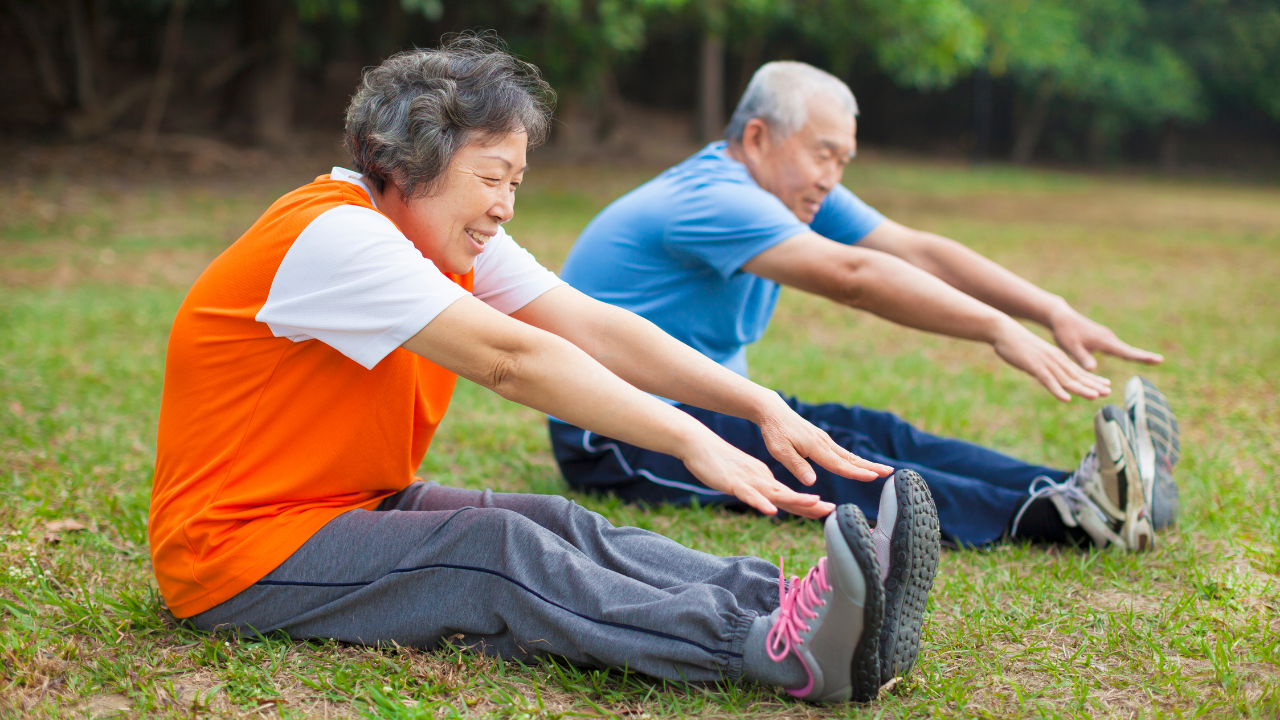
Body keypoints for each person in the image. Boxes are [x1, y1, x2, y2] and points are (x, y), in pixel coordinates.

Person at [147, 38, 943, 703]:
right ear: (408, 161)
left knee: (555, 522)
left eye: (515, 183)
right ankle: (780, 648)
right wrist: (686, 436)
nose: (505, 206)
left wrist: (756, 402)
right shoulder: (335, 237)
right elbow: (510, 359)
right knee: (494, 550)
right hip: (236, 557)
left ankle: (798, 602)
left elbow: (592, 325)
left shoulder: (441, 235)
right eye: (491, 178)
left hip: (340, 504)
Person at [552, 61, 1183, 552]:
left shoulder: (792, 188)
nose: (832, 175)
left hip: (710, 402)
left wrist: (1050, 309)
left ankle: (1088, 488)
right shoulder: (716, 198)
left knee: (878, 433)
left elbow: (916, 250)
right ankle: (1066, 517)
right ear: (757, 137)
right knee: (841, 459)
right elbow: (854, 276)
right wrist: (994, 328)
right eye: (823, 153)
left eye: (844, 160)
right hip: (617, 434)